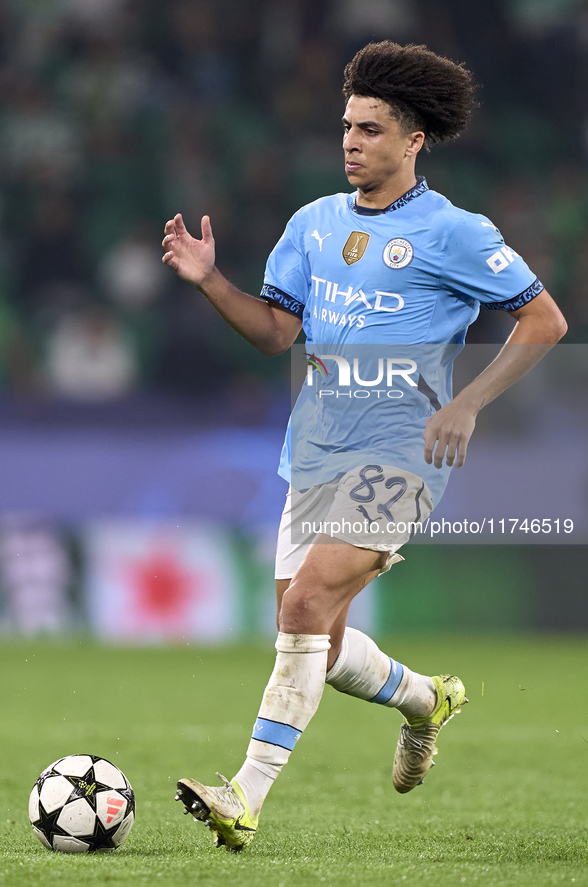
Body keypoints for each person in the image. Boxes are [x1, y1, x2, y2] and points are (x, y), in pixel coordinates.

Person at [161, 41, 567, 852]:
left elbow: (543, 320)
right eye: (347, 125)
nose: (351, 141)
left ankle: (243, 795)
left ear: (412, 141)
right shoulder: (311, 224)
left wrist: (469, 402)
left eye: (371, 129)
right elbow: (276, 331)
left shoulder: (454, 232)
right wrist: (211, 281)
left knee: (306, 606)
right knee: (315, 632)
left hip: (401, 452)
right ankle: (425, 698)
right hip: (312, 447)